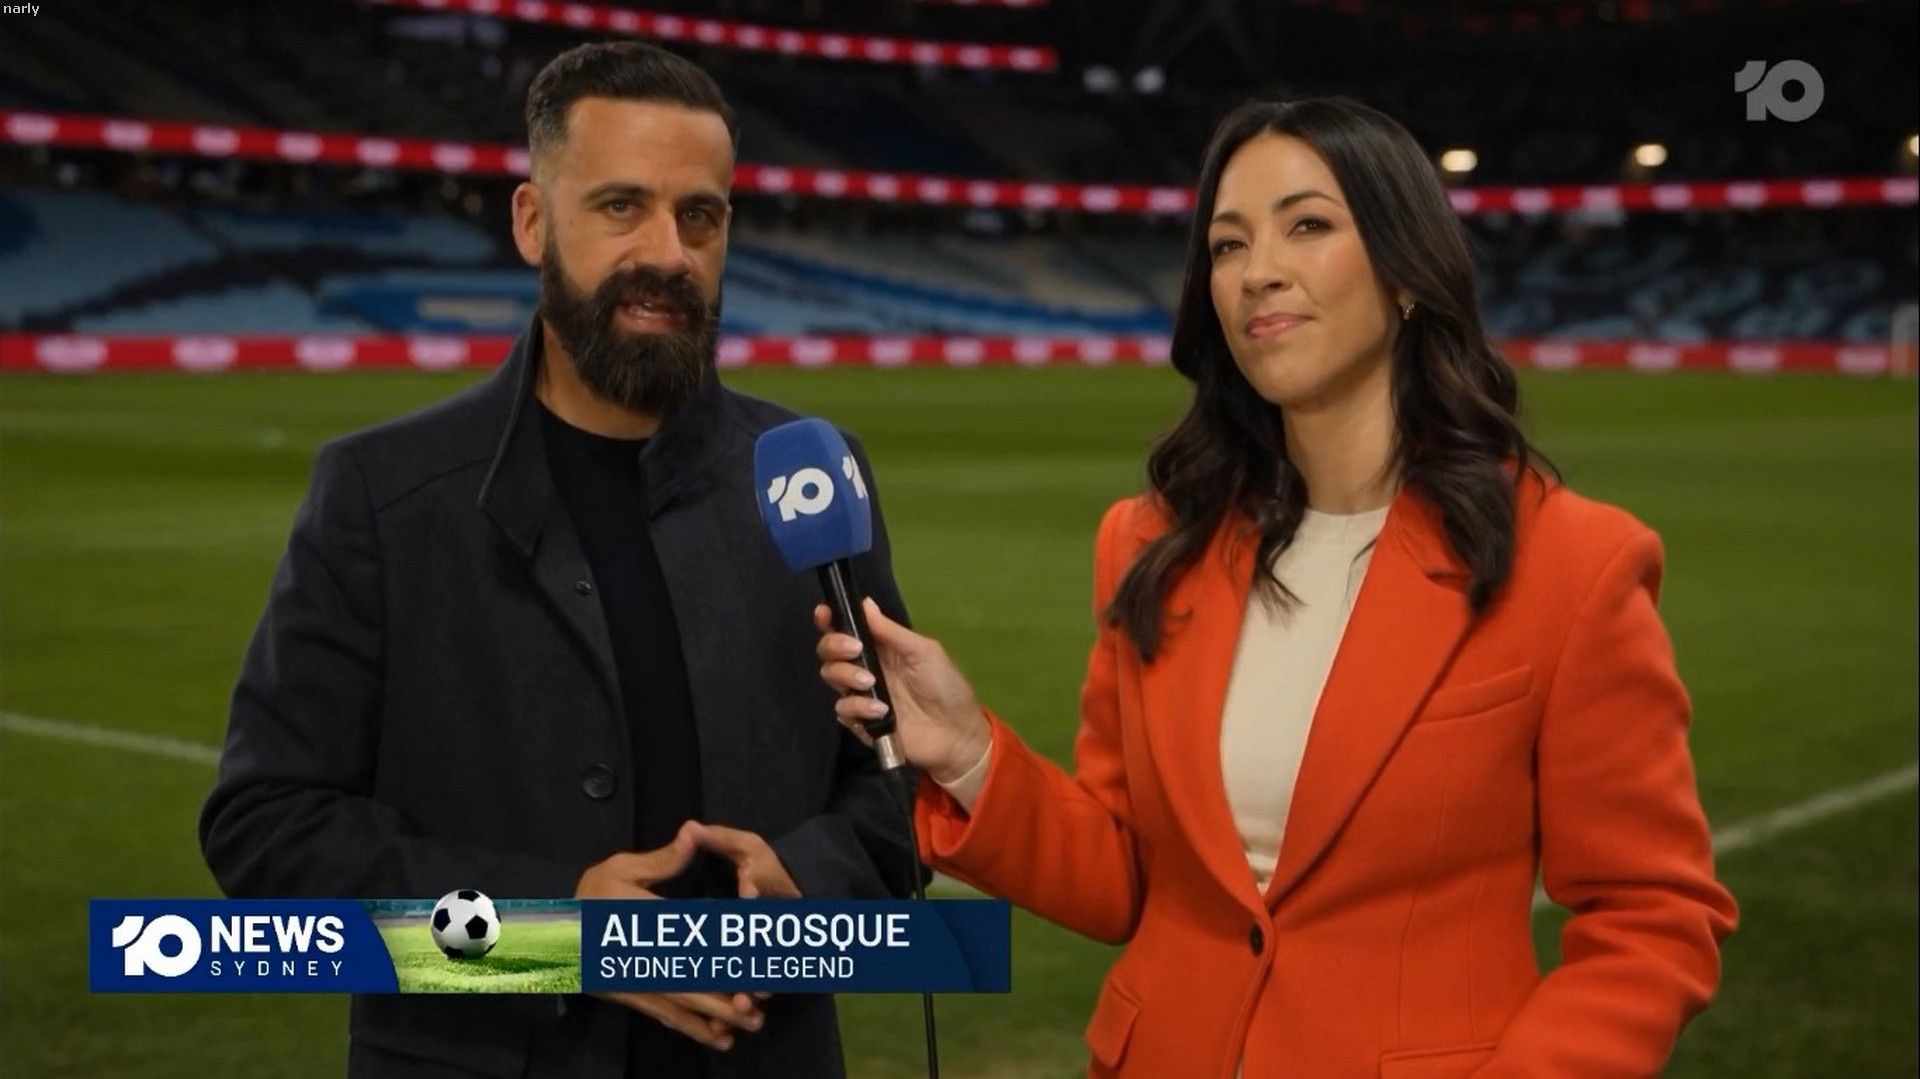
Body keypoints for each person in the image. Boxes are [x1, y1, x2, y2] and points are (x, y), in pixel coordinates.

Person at [816, 97, 1738, 1078]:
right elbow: (1126, 875)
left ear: (1406, 270)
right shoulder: (1150, 543)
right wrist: (969, 755)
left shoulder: (1573, 562)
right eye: (1227, 244)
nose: (1258, 270)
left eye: (1307, 225)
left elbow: (1652, 915)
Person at [201, 41, 918, 1079]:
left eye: (701, 216)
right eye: (622, 206)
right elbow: (268, 831)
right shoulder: (383, 496)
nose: (669, 253)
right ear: (533, 220)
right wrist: (549, 936)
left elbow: (900, 786)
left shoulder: (808, 477)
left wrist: (808, 879)